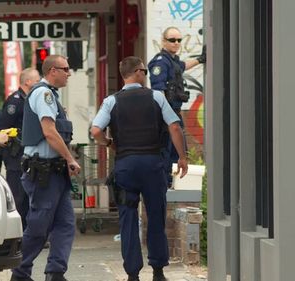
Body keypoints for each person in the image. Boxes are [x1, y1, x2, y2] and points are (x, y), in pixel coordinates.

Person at [90, 56, 189, 281]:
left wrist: (110, 144)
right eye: (144, 70)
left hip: (125, 165)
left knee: (128, 218)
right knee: (156, 216)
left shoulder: (111, 101)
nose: (146, 74)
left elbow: (96, 130)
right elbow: (174, 127)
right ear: (137, 72)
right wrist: (182, 157)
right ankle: (158, 271)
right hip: (152, 164)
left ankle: (133, 274)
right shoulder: (156, 97)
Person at [10, 55, 81, 281]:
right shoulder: (44, 94)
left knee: (66, 224)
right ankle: (20, 273)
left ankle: (55, 272)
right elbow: (49, 132)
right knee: (40, 226)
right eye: (65, 69)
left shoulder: (51, 95)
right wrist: (70, 158)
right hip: (44, 172)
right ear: (52, 71)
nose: (69, 73)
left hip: (54, 171)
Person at [148, 26, 205, 187]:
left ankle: (172, 186)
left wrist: (200, 59)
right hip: (167, 116)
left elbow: (183, 66)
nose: (176, 43)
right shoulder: (160, 62)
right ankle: (164, 186)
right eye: (172, 40)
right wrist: (167, 117)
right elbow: (158, 91)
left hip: (174, 113)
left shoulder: (172, 61)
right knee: (167, 152)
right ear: (163, 41)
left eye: (179, 40)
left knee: (177, 153)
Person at [0, 68, 41, 229]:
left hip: (28, 156)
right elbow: (3, 129)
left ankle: (28, 232)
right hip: (16, 157)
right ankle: (17, 232)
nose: (39, 82)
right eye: (37, 80)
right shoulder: (15, 102)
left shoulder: (30, 99)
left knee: (29, 196)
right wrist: (7, 156)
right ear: (27, 82)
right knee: (18, 197)